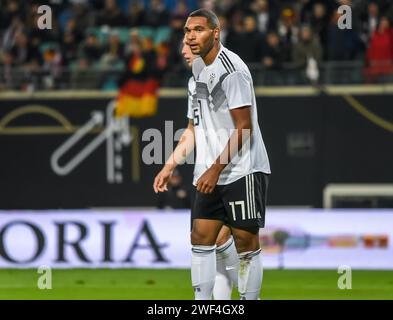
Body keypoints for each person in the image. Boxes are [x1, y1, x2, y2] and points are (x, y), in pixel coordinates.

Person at [155, 8, 270, 300]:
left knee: (245, 242)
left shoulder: (232, 71)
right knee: (202, 239)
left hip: (242, 170)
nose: (190, 37)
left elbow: (245, 128)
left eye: (198, 30)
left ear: (215, 33)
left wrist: (215, 169)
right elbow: (193, 128)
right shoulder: (196, 75)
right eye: (187, 32)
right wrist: (169, 165)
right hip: (209, 172)